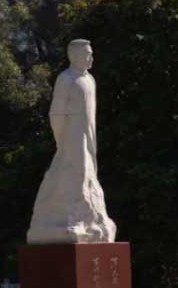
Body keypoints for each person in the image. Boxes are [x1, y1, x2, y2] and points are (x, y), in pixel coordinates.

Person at [27, 39, 116, 244]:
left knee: (89, 175)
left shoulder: (90, 80)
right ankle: (67, 217)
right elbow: (55, 114)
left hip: (88, 136)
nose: (91, 57)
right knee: (73, 174)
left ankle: (90, 219)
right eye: (87, 54)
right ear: (74, 56)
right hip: (71, 137)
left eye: (91, 53)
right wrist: (63, 141)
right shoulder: (65, 79)